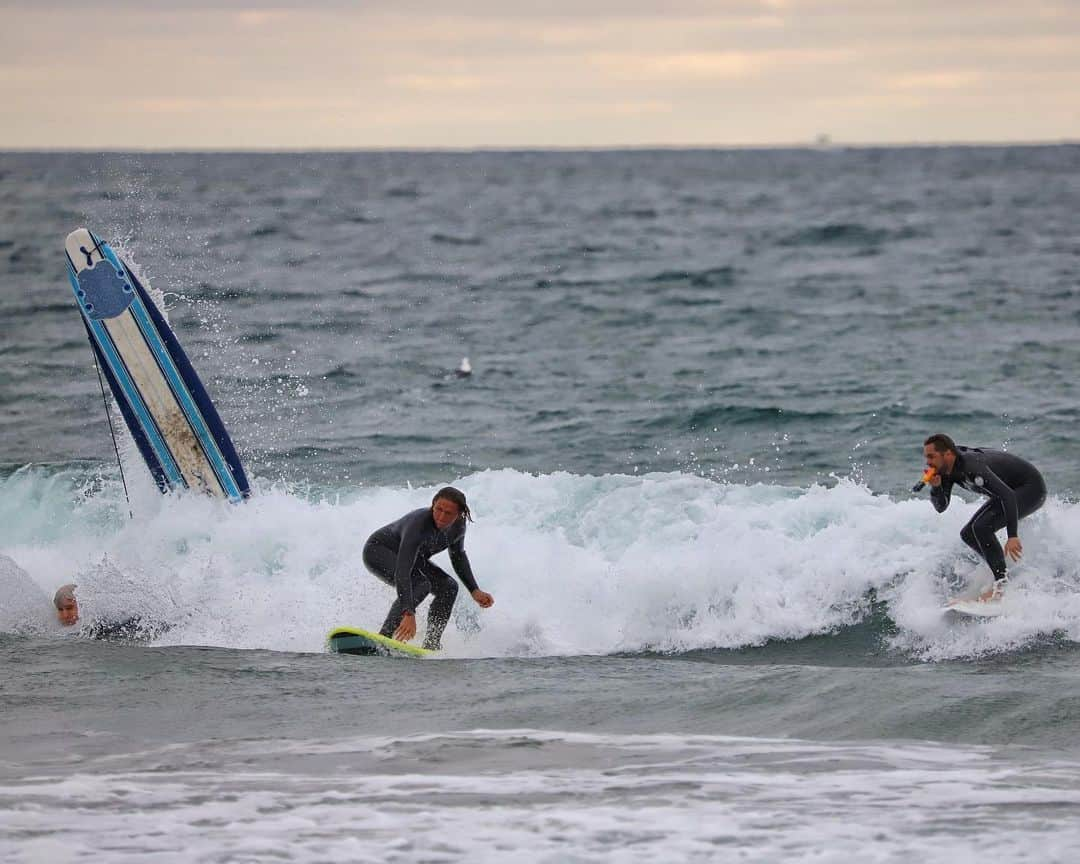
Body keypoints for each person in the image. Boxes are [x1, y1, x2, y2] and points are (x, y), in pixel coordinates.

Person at [362, 486, 494, 649]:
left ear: (459, 514)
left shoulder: (459, 527)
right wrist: (409, 612)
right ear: (432, 505)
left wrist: (474, 589)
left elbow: (458, 556)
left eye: (448, 513)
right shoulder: (418, 525)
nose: (441, 516)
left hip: (414, 559)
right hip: (378, 551)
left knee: (449, 587)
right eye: (438, 509)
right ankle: (384, 637)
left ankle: (431, 644)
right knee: (420, 584)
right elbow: (403, 571)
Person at [921, 434, 1046, 601]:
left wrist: (1013, 536)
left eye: (931, 456)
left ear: (948, 455)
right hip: (1008, 491)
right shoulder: (944, 471)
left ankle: (1001, 586)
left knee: (981, 527)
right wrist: (936, 488)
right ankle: (1002, 572)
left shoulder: (972, 467)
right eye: (926, 457)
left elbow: (1008, 496)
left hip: (1030, 489)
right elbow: (941, 507)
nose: (928, 462)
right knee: (967, 533)